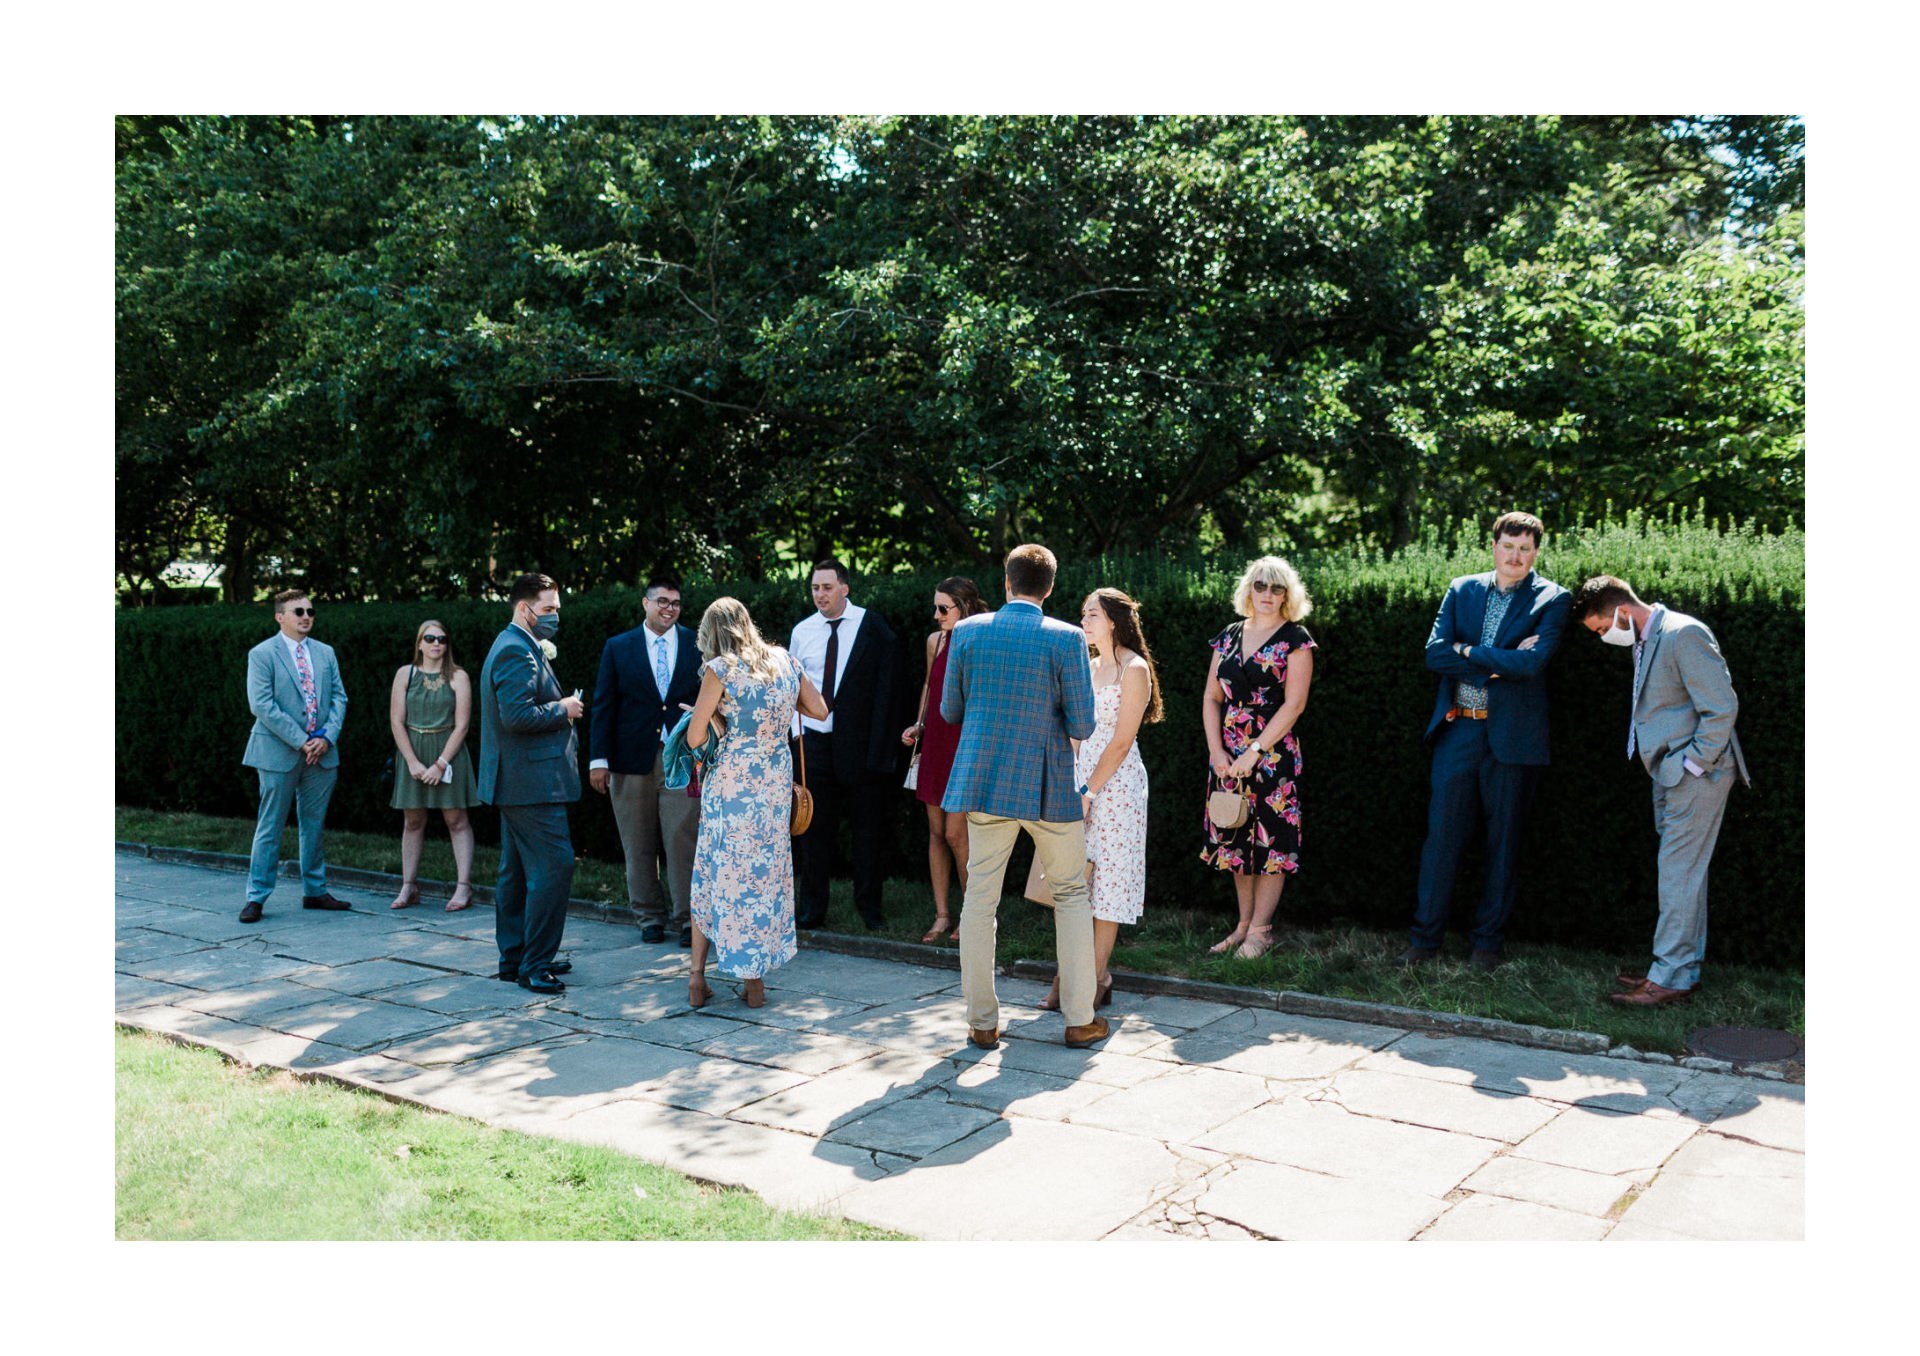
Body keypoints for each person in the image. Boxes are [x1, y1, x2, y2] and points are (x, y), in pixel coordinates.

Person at [942, 543, 1108, 1050]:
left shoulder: (967, 631)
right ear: (1051, 587)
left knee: (979, 899)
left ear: (1006, 581)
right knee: (1071, 896)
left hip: (985, 782)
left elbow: (950, 710)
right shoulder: (1067, 638)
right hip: (1050, 784)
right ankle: (1079, 1019)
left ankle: (982, 1022)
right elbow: (1082, 722)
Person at [1400, 512, 1571, 972]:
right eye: (1508, 546)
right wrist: (1497, 659)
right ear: (1493, 545)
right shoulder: (1462, 589)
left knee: (1504, 843)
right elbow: (1435, 654)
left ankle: (1486, 947)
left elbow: (1532, 665)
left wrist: (1467, 651)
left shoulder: (1553, 599)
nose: (1516, 557)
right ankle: (1423, 941)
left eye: (1525, 549)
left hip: (1513, 739)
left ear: (1536, 552)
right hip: (1459, 728)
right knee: (1442, 840)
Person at [1571, 575, 1750, 1006]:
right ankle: (1678, 969)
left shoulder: (1683, 632)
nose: (1602, 638)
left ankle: (1669, 975)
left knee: (1678, 875)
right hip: (1668, 772)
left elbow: (1721, 707)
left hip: (1695, 774)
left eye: (1601, 629)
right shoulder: (1646, 638)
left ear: (1622, 612)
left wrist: (1693, 764)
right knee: (1683, 875)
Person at [684, 598, 829, 1009]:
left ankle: (697, 978)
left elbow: (695, 738)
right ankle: (754, 985)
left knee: (714, 876)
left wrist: (716, 720)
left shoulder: (720, 669)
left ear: (712, 633)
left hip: (731, 788)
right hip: (771, 789)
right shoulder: (784, 661)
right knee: (761, 881)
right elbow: (818, 709)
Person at [1036, 587, 1159, 1010]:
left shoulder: (1135, 669)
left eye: (1091, 615)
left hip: (1118, 786)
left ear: (1113, 621)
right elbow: (1072, 731)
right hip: (1079, 784)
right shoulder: (1086, 667)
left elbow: (1123, 741)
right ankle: (1078, 974)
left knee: (1108, 884)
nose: (1083, 622)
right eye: (1083, 614)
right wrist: (1069, 782)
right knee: (1072, 881)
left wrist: (1090, 789)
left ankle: (1086, 982)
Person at [1200, 558, 1317, 959]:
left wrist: (1255, 751)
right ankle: (1243, 926)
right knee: (1235, 837)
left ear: (1288, 595)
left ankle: (1262, 931)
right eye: (1260, 585)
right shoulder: (1228, 637)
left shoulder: (1295, 638)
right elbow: (1212, 697)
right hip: (1228, 754)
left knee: (1272, 843)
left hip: (1272, 754)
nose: (1267, 594)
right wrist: (1217, 750)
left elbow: (1295, 704)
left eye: (1276, 588)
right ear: (1248, 589)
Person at [476, 572, 584, 994]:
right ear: (525, 609)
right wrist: (564, 708)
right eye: (549, 609)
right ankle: (535, 965)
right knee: (555, 866)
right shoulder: (514, 651)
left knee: (517, 872)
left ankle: (516, 957)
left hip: (522, 781)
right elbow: (516, 717)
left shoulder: (519, 644)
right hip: (530, 784)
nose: (555, 616)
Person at [590, 574, 703, 945]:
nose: (669, 609)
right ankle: (648, 917)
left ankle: (688, 919)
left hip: (682, 759)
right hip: (629, 759)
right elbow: (604, 705)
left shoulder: (696, 644)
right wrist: (598, 760)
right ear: (645, 603)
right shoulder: (618, 647)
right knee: (637, 842)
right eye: (662, 602)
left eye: (675, 603)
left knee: (682, 840)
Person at [790, 558, 902, 930]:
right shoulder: (802, 631)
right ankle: (812, 909)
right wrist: (797, 736)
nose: (819, 595)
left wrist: (880, 750)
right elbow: (792, 688)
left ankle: (870, 908)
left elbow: (888, 692)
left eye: (826, 587)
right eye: (815, 588)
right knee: (813, 830)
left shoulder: (874, 628)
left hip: (860, 746)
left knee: (867, 831)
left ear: (844, 588)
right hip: (815, 745)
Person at [239, 589, 349, 923]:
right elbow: (262, 705)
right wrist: (303, 741)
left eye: (310, 611)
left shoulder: (326, 653)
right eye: (298, 611)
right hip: (278, 753)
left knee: (313, 827)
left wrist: (326, 737)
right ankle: (256, 897)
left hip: (322, 754)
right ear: (280, 617)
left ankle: (315, 890)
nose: (306, 617)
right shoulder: (262, 654)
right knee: (270, 826)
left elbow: (339, 698)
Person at [900, 576, 989, 943]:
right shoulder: (935, 642)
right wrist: (919, 724)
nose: (936, 615)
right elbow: (928, 685)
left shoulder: (981, 639)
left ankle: (972, 915)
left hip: (965, 743)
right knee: (936, 832)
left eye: (943, 608)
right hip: (936, 740)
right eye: (935, 607)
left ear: (964, 607)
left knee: (957, 834)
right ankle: (942, 915)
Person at [386, 619, 479, 911]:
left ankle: (464, 888)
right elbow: (396, 721)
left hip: (447, 753)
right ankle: (409, 886)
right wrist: (412, 762)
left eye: (441, 638)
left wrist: (440, 764)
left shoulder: (458, 676)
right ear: (419, 643)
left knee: (456, 820)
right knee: (412, 821)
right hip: (412, 751)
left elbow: (462, 725)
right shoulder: (405, 674)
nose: (436, 643)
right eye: (430, 638)